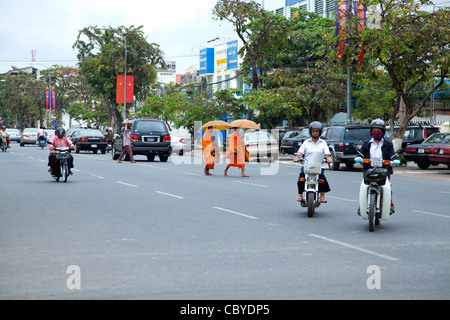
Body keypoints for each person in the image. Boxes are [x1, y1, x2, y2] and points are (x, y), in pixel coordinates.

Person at [357, 119, 396, 215]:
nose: (376, 133)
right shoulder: (367, 144)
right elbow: (361, 155)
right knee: (364, 186)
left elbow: (393, 156)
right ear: (371, 132)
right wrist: (358, 158)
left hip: (384, 170)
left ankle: (389, 203)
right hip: (369, 170)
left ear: (383, 132)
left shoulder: (388, 144)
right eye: (374, 131)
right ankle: (361, 205)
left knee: (387, 186)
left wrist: (395, 161)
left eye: (378, 131)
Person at [293, 121, 332, 203]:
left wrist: (328, 159)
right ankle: (300, 194)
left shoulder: (323, 143)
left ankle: (322, 194)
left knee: (321, 177)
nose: (315, 133)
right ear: (310, 131)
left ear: (320, 132)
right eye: (313, 131)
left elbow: (327, 154)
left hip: (318, 166)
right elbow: (300, 152)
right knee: (301, 176)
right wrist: (297, 157)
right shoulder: (306, 142)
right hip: (307, 165)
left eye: (317, 131)